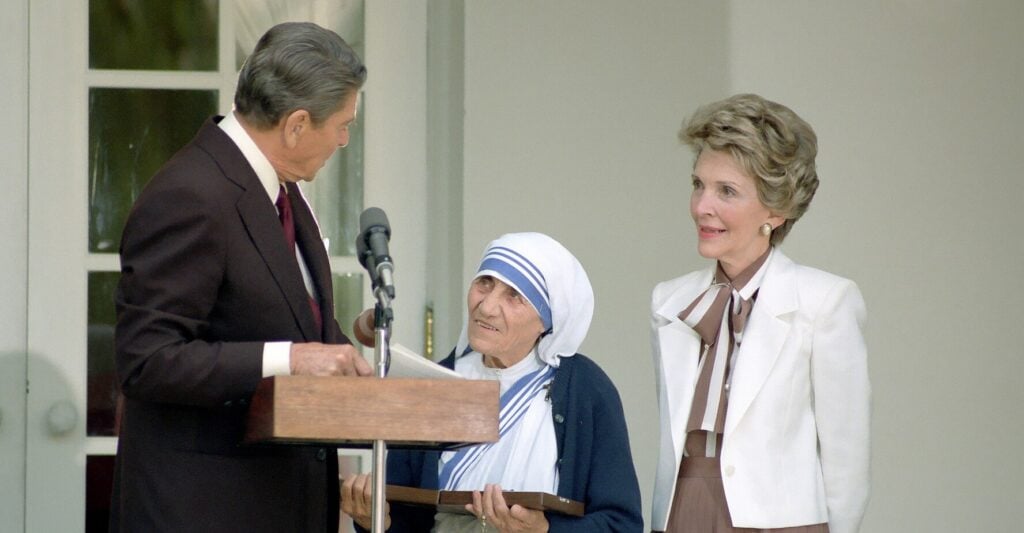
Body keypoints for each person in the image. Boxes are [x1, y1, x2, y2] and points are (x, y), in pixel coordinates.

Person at [109, 22, 372, 533]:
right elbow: (147, 359)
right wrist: (291, 359)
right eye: (343, 124)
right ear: (296, 124)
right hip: (202, 510)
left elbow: (282, 319)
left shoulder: (280, 189)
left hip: (276, 504)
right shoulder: (191, 194)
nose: (343, 139)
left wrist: (353, 353)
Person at [649, 94, 870, 533]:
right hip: (681, 512)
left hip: (782, 522)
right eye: (698, 184)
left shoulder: (826, 302)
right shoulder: (669, 302)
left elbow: (847, 462)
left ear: (777, 209)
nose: (701, 206)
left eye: (726, 191)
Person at [342, 232, 644, 532]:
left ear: (547, 321)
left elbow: (621, 524)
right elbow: (405, 519)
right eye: (484, 283)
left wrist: (544, 531)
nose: (486, 307)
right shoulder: (433, 385)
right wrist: (374, 522)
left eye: (514, 296)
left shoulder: (588, 392)